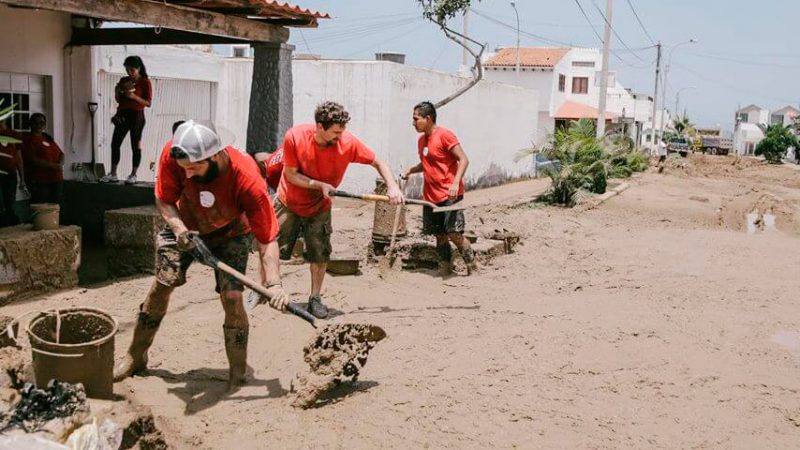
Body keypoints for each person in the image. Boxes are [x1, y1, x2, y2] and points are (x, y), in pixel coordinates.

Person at [113, 120, 288, 391]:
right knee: (161, 286)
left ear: (215, 155)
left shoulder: (248, 179)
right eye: (186, 169)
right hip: (184, 225)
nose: (189, 174)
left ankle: (237, 373)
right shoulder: (174, 156)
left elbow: (267, 240)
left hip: (231, 233)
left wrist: (274, 283)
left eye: (195, 167)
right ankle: (135, 356)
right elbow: (164, 198)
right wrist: (179, 228)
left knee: (232, 298)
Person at [276, 101, 403, 319]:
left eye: (342, 131)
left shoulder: (347, 143)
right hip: (289, 200)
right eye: (335, 132)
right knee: (271, 248)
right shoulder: (294, 137)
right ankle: (266, 288)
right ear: (319, 126)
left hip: (319, 206)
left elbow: (378, 162)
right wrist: (319, 185)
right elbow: (290, 174)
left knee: (320, 251)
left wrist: (392, 186)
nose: (340, 137)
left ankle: (315, 297)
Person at [402, 101, 476, 276]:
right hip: (430, 195)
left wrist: (455, 183)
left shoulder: (445, 136)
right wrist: (412, 170)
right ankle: (445, 267)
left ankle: (472, 265)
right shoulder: (421, 140)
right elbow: (428, 162)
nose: (413, 123)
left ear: (428, 118)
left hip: (449, 194)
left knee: (454, 233)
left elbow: (464, 159)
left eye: (416, 119)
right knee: (439, 234)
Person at [101, 55, 152, 184]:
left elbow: (148, 102)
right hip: (123, 114)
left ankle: (133, 174)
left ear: (139, 68)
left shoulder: (145, 82)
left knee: (135, 145)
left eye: (132, 70)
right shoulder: (124, 80)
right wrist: (117, 92)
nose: (129, 73)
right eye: (127, 70)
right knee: (115, 143)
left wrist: (134, 96)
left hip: (137, 115)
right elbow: (119, 100)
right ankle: (113, 173)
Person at [22, 113, 63, 204]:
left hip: (56, 178)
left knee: (54, 207)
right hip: (40, 180)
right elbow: (32, 159)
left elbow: (61, 153)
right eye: (36, 123)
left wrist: (59, 164)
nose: (39, 125)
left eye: (42, 123)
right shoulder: (27, 139)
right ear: (30, 124)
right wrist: (53, 166)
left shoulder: (47, 138)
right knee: (41, 207)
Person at [0, 119, 25, 226]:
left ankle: (11, 227)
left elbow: (18, 157)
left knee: (10, 202)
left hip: (10, 173)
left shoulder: (14, 134)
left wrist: (22, 178)